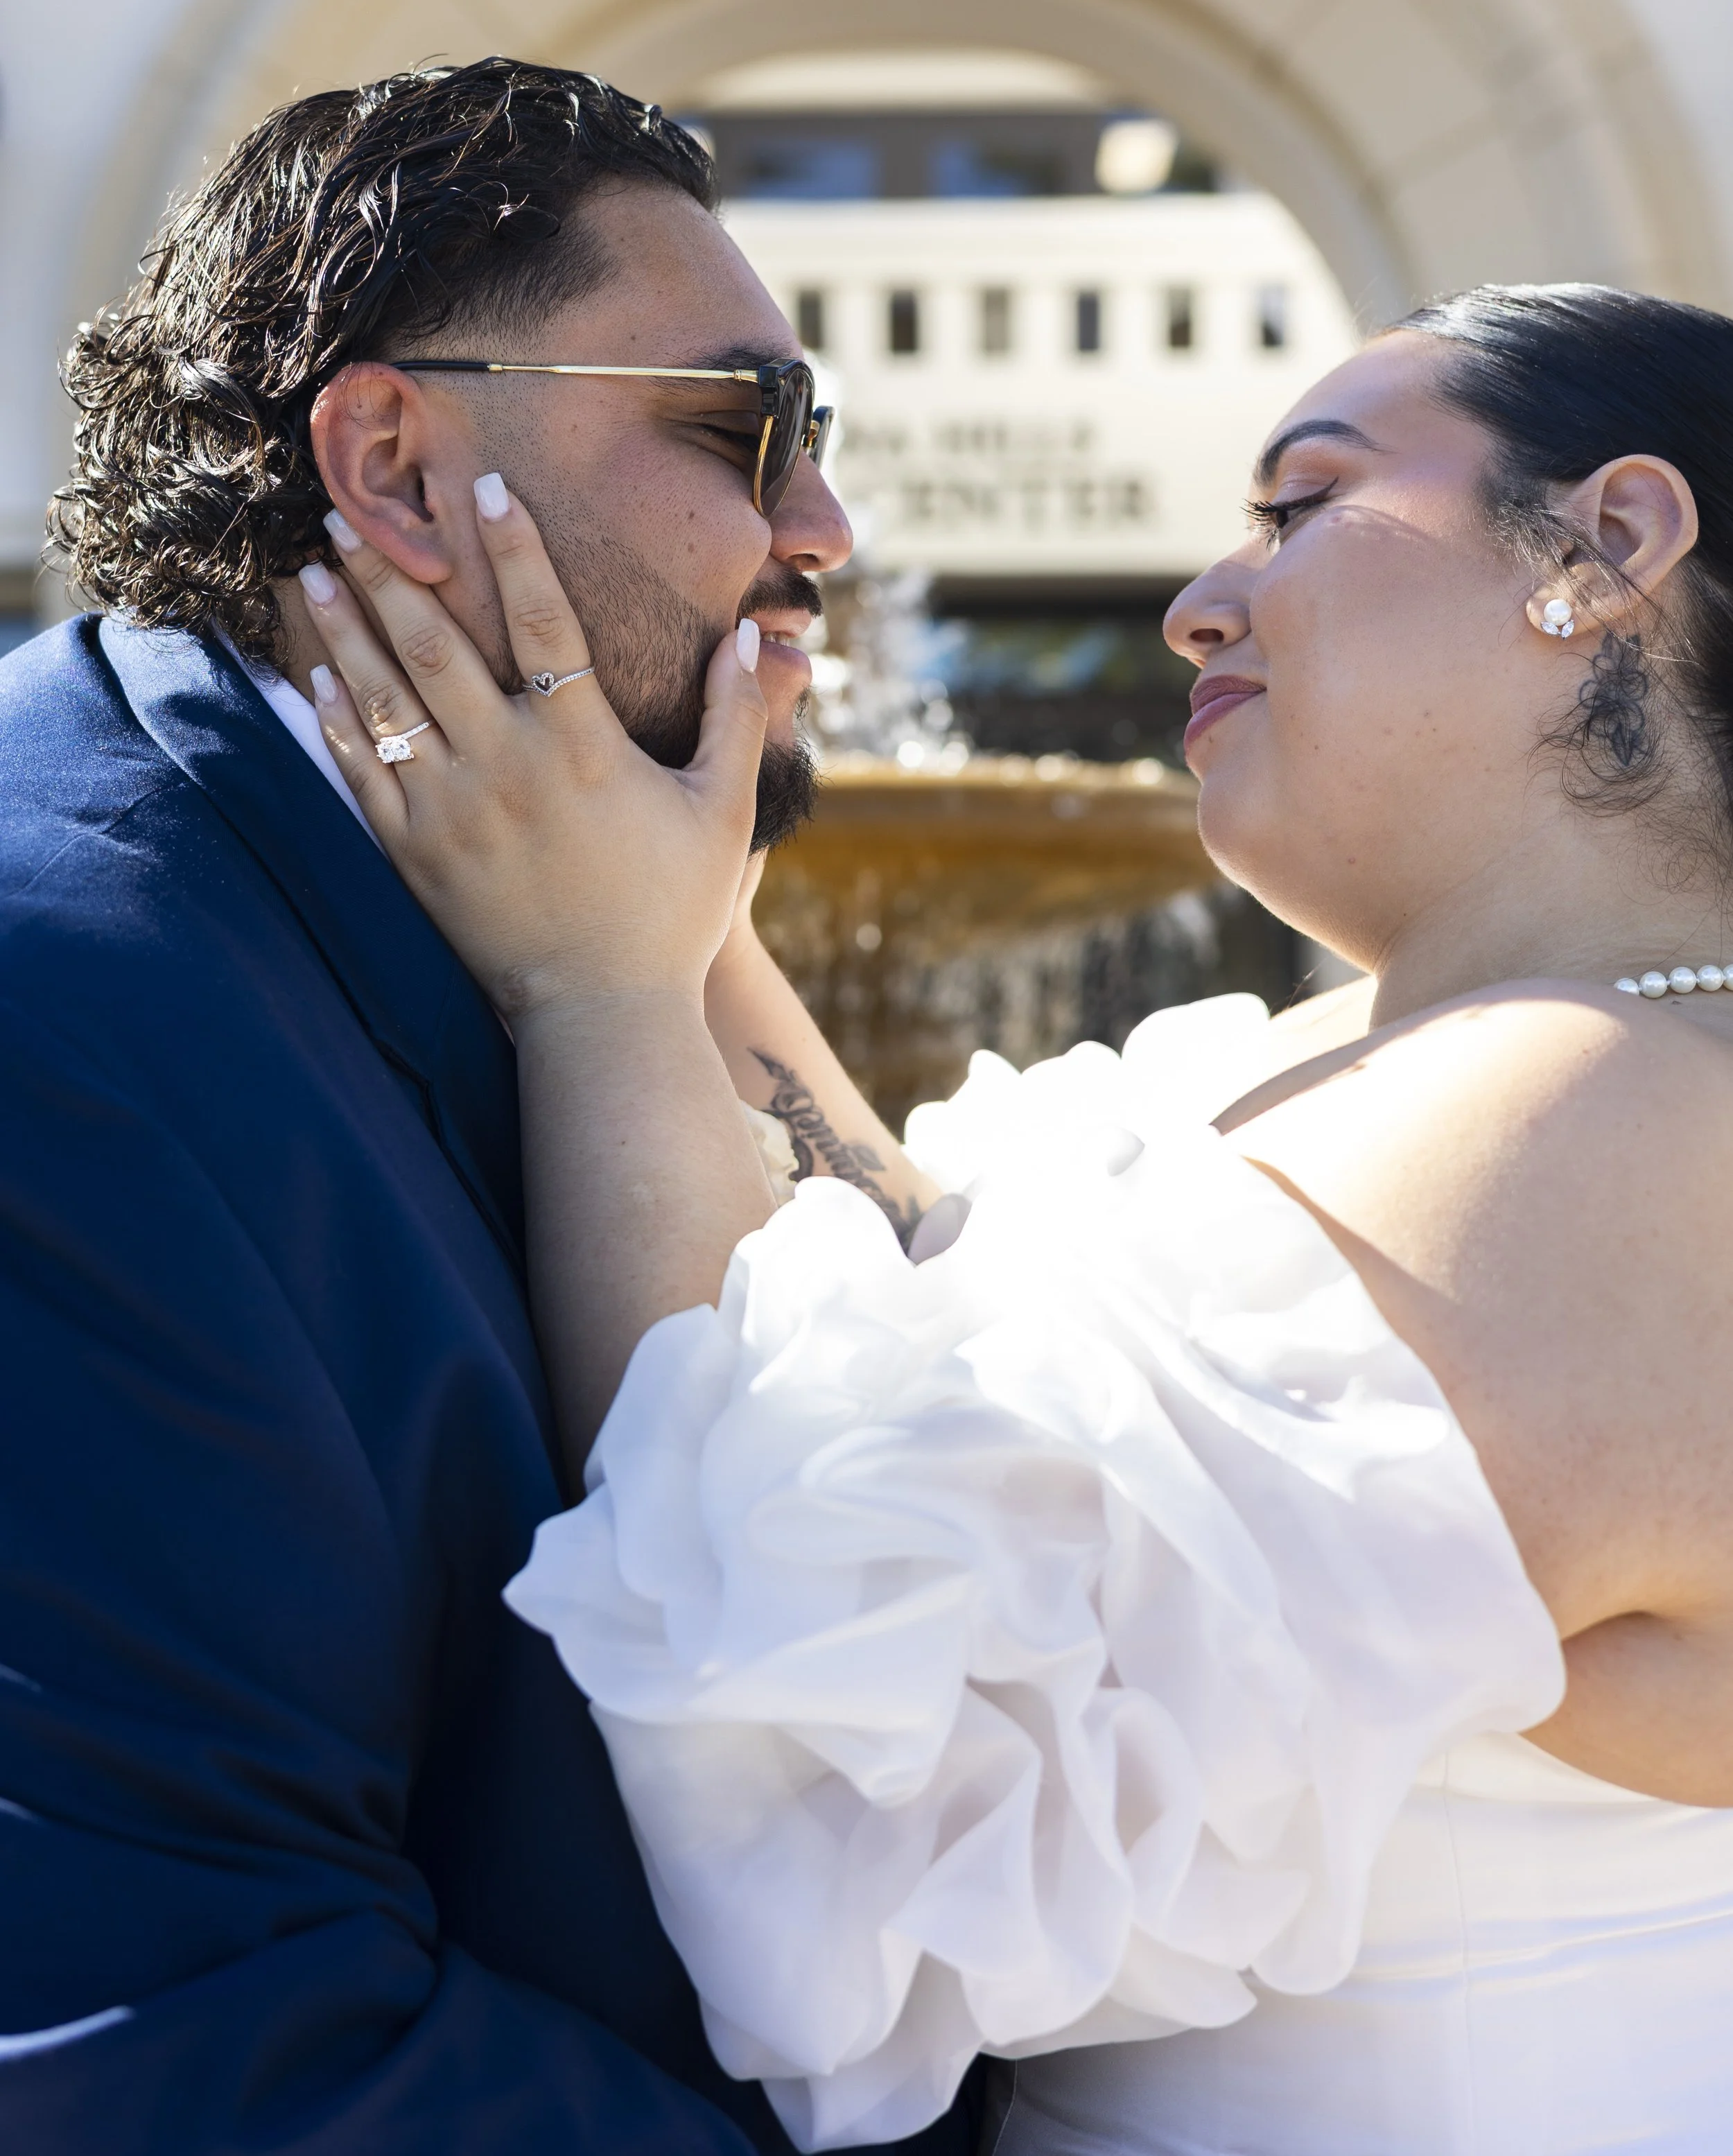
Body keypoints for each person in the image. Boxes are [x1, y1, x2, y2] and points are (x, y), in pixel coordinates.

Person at [303, 284, 1733, 2155]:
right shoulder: (1488, 1065)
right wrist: (663, 868)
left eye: (1303, 506)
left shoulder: (1595, 1123)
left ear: (1604, 542)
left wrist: (599, 993)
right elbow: (909, 1286)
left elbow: (828, 1783)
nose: (1196, 601)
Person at [0, 57, 978, 2154]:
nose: (821, 528)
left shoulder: (526, 888)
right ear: (399, 464)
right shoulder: (52, 1010)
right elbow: (181, 2039)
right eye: (745, 426)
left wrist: (664, 938)